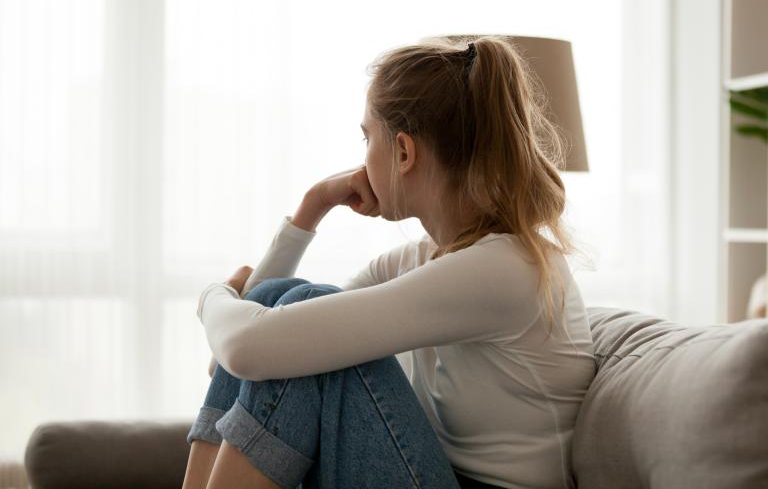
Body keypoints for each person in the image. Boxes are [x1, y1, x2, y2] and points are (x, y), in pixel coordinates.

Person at [182, 35, 596, 489]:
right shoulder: (427, 258)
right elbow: (249, 349)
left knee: (307, 321)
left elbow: (246, 347)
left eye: (366, 139)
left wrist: (212, 298)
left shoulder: (503, 270)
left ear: (403, 152)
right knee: (291, 305)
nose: (361, 159)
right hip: (435, 474)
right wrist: (312, 208)